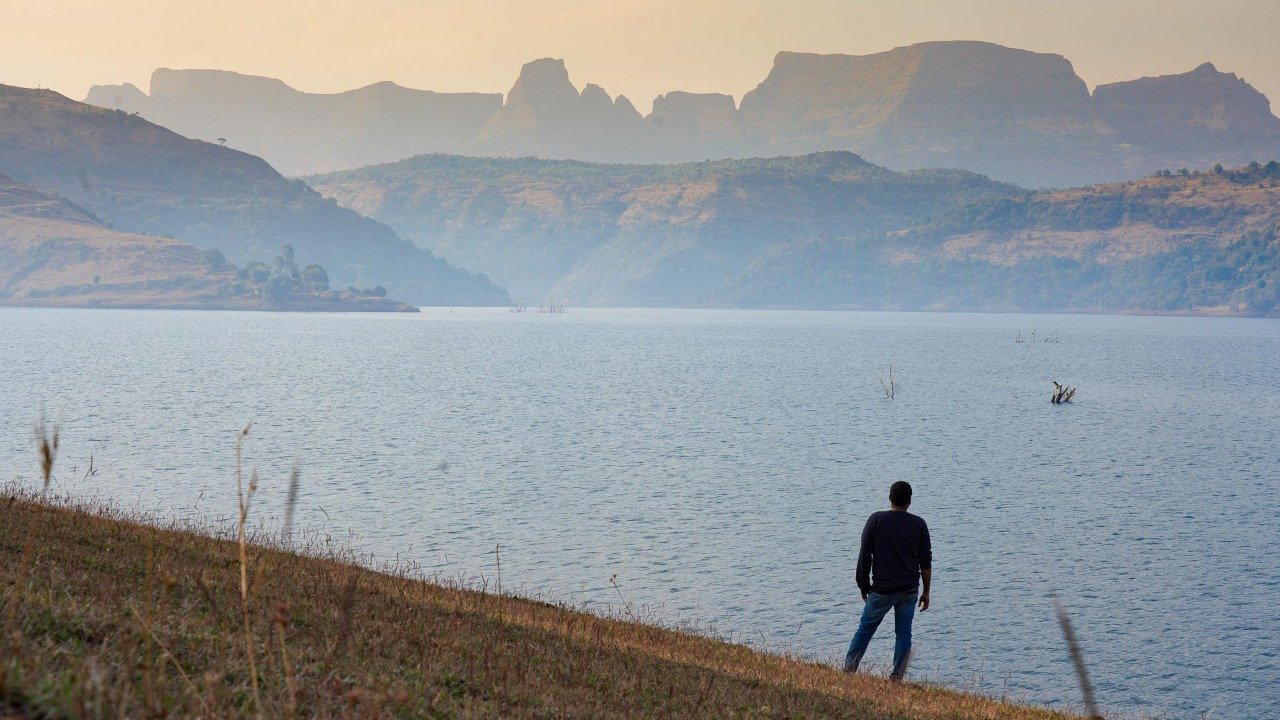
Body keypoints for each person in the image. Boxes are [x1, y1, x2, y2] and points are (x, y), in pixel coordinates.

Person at [842, 480, 932, 681]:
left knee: (865, 629)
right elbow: (926, 562)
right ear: (910, 501)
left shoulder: (876, 520)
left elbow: (865, 556)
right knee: (903, 633)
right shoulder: (919, 524)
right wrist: (926, 592)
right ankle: (896, 678)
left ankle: (849, 671)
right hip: (908, 590)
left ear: (890, 498)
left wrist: (863, 585)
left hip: (882, 589)